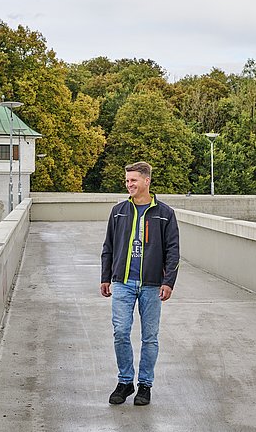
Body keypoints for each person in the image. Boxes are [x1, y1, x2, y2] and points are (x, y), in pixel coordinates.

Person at [100, 161, 180, 406]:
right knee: (121, 332)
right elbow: (109, 247)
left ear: (147, 181)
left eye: (133, 180)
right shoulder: (119, 211)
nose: (129, 184)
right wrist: (106, 276)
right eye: (127, 181)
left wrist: (169, 282)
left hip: (152, 284)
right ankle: (125, 382)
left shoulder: (165, 214)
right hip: (122, 282)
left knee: (150, 337)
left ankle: (145, 385)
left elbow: (173, 251)